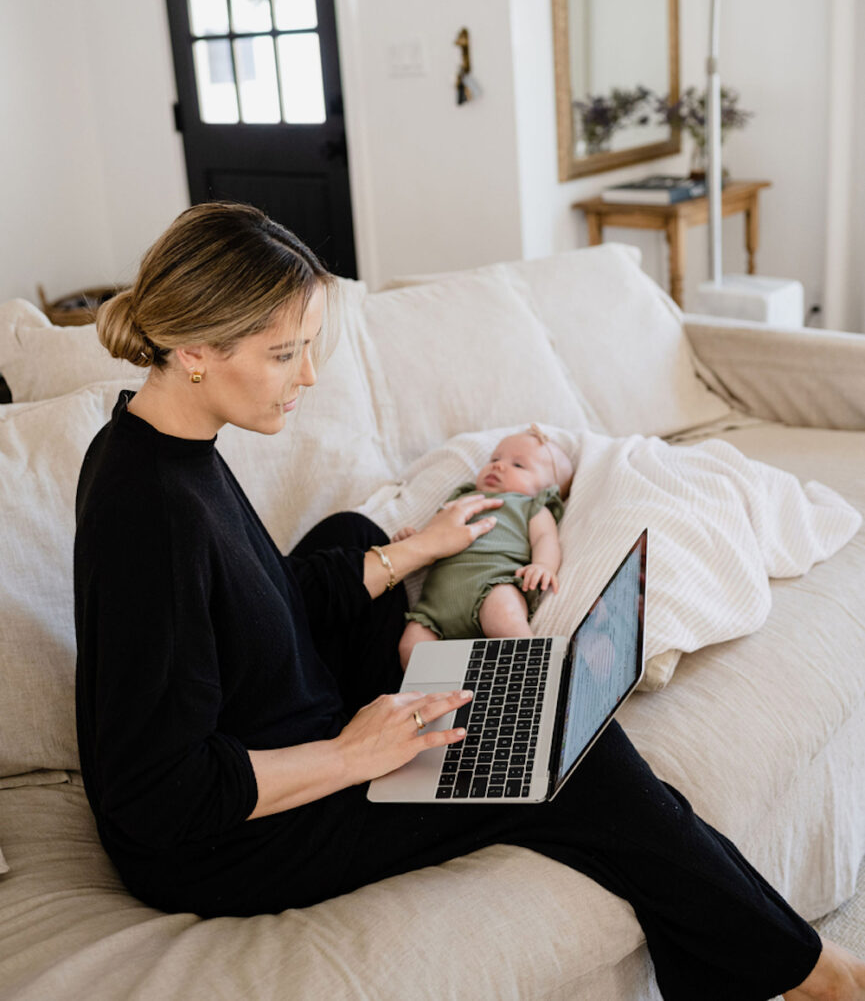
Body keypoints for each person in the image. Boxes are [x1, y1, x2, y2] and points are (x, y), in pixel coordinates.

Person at [73, 201, 865, 1001]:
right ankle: (813, 977)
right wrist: (356, 754)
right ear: (194, 350)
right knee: (571, 752)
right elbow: (159, 797)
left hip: (272, 720)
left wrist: (418, 549)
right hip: (232, 838)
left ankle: (728, 955)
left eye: (310, 347)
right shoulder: (152, 515)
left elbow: (255, 593)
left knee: (352, 536)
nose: (309, 376)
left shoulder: (161, 441)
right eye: (285, 355)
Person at [397, 427, 575, 667]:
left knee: (505, 616)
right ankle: (446, 694)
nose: (498, 466)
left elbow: (545, 538)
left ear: (547, 489)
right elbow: (433, 538)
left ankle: (535, 672)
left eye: (518, 465)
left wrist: (543, 564)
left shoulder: (530, 506)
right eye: (495, 459)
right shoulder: (461, 500)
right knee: (410, 648)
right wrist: (413, 540)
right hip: (434, 607)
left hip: (491, 586)